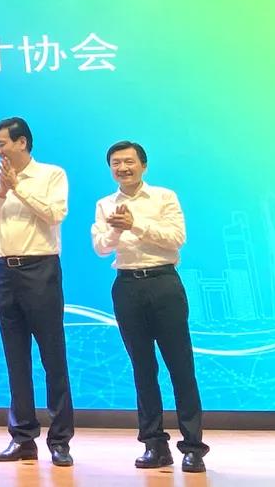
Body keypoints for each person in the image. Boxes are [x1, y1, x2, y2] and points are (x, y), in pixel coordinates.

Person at [91, 140, 208, 473]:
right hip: (127, 285)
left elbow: (176, 237)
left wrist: (135, 225)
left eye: (129, 161)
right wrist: (116, 230)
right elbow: (100, 247)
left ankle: (193, 447)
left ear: (143, 165)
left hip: (163, 283)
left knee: (180, 367)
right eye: (115, 163)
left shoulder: (164, 197)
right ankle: (154, 444)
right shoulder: (105, 204)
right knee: (143, 369)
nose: (122, 168)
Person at [0, 116, 74, 467]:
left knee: (52, 357)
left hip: (40, 269)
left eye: (1, 144)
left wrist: (19, 188)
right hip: (5, 272)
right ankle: (22, 437)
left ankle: (60, 440)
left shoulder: (51, 175)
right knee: (16, 358)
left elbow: (55, 214)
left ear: (22, 143)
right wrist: (2, 191)